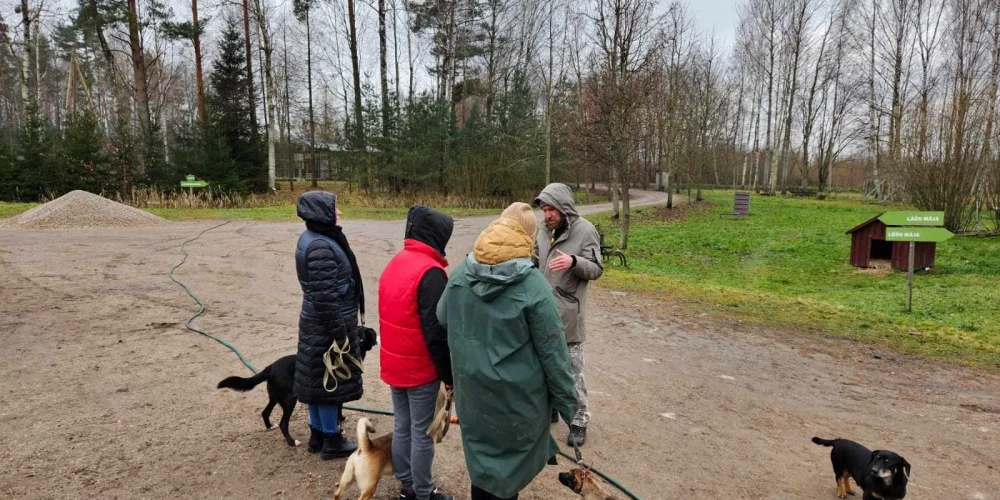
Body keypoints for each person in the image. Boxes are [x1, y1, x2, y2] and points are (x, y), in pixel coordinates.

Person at [437, 202, 578, 500]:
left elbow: (441, 315)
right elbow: (554, 355)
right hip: (515, 402)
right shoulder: (532, 285)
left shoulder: (462, 272)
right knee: (507, 475)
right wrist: (569, 407)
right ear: (527, 238)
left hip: (473, 395)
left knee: (484, 468)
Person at [379, 206, 455, 500]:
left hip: (393, 362)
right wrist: (448, 375)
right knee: (423, 433)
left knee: (402, 425)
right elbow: (437, 332)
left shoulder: (396, 262)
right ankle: (423, 492)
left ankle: (407, 485)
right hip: (419, 369)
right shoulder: (431, 273)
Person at [294, 191, 365, 460]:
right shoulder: (321, 246)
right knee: (329, 383)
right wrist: (340, 333)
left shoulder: (314, 238)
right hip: (327, 325)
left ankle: (317, 435)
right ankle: (332, 440)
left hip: (317, 323)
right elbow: (325, 298)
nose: (339, 214)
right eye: (335, 209)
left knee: (316, 381)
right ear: (321, 212)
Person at [534, 183, 604, 447]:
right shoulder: (544, 230)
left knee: (572, 372)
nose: (547, 214)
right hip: (541, 313)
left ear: (564, 208)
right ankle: (550, 408)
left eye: (552, 209)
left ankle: (579, 420)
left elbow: (597, 269)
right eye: (544, 209)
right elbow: (535, 257)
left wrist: (574, 262)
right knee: (542, 366)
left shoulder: (586, 230)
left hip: (568, 315)